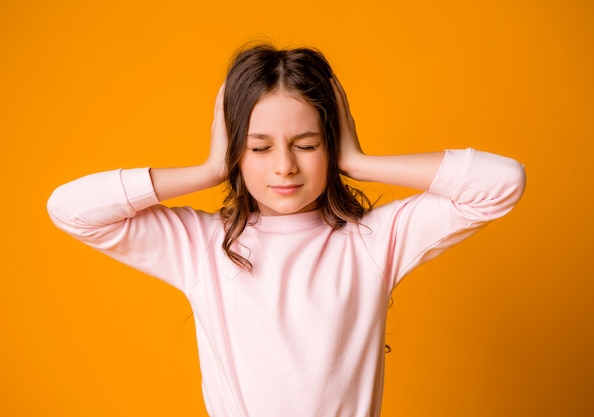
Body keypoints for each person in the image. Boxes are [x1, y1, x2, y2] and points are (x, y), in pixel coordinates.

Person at [47, 44, 526, 417]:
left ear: (331, 143)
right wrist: (209, 169)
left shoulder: (373, 242)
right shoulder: (202, 247)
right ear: (236, 149)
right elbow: (69, 208)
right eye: (258, 148)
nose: (284, 167)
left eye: (307, 144)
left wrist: (358, 161)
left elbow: (502, 183)